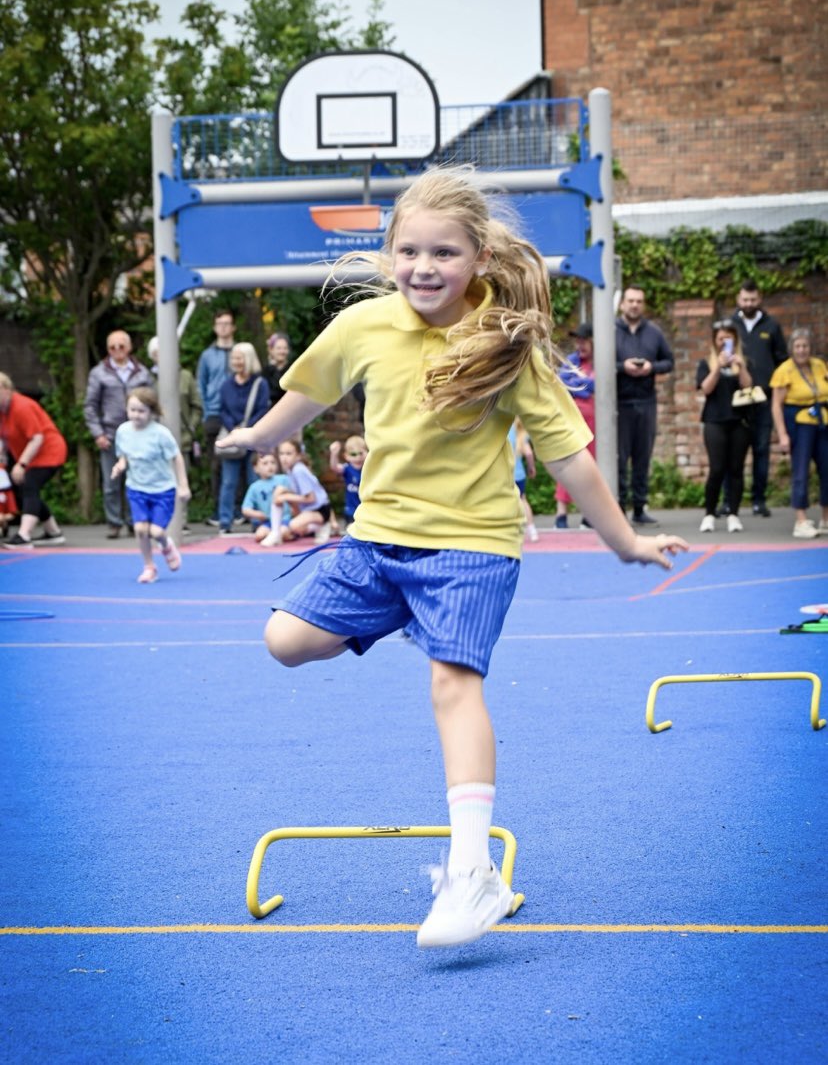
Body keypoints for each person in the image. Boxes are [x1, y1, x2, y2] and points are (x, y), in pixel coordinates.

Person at [217, 166, 687, 950]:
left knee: (452, 684)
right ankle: (407, 615)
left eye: (444, 253)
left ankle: (472, 876)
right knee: (284, 642)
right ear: (388, 251)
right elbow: (308, 397)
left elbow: (570, 458)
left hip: (471, 546)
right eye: (409, 251)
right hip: (379, 539)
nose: (424, 268)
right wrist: (254, 439)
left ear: (477, 258)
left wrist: (628, 542)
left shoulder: (504, 344)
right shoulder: (366, 326)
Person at [112, 387, 190, 583]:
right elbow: (124, 455)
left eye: (141, 411)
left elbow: (176, 457)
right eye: (132, 410)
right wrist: (120, 466)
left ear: (152, 412)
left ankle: (166, 545)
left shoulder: (160, 434)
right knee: (140, 529)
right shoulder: (123, 431)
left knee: (156, 532)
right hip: (136, 488)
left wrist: (183, 485)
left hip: (162, 490)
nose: (136, 415)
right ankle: (149, 567)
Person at [83, 329, 154, 538]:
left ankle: (135, 521)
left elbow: (153, 402)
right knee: (111, 483)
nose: (117, 350)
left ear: (129, 348)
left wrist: (150, 431)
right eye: (112, 347)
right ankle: (114, 523)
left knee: (138, 481)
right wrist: (98, 433)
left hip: (138, 434)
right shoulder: (98, 373)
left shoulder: (142, 372)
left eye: (121, 346)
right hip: (111, 435)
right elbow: (90, 406)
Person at [615, 286, 674, 527]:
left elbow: (669, 362)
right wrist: (622, 367)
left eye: (639, 301)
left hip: (646, 402)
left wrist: (651, 368)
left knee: (642, 457)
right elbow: (600, 362)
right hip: (619, 403)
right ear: (622, 304)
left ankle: (639, 508)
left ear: (644, 305)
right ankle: (618, 509)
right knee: (618, 458)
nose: (635, 305)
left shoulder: (654, 333)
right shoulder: (610, 332)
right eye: (630, 301)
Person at [730, 280, 788, 517]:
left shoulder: (771, 326)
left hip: (763, 397)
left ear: (760, 299)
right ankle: (729, 502)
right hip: (735, 397)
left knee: (761, 449)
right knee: (732, 451)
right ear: (738, 299)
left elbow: (782, 361)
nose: (749, 304)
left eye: (753, 300)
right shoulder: (730, 325)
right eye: (745, 300)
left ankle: (759, 500)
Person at [696, 319, 754, 534]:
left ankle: (734, 515)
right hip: (714, 421)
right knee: (717, 469)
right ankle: (709, 514)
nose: (724, 342)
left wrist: (742, 367)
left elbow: (748, 386)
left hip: (739, 421)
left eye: (728, 338)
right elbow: (706, 389)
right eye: (720, 339)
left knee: (736, 470)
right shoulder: (706, 363)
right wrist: (718, 367)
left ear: (735, 340)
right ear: (714, 341)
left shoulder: (743, 361)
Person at [769, 328, 828, 539]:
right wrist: (783, 435)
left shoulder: (819, 365)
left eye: (805, 346)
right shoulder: (784, 370)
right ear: (791, 349)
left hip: (821, 420)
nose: (802, 350)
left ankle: (825, 518)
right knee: (801, 470)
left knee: (827, 468)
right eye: (798, 346)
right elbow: (776, 406)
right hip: (797, 422)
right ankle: (801, 520)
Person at [0, 372, 67, 549]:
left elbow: (37, 438)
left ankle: (24, 536)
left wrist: (21, 464)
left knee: (29, 485)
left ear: (6, 389)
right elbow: (5, 438)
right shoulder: (2, 412)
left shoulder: (22, 406)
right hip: (30, 455)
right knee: (25, 488)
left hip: (49, 451)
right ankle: (53, 532)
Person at [147, 336, 202, 531]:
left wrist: (190, 428)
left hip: (182, 438)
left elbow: (197, 405)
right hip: (154, 439)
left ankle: (181, 520)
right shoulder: (148, 378)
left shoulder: (186, 376)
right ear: (153, 356)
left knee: (181, 478)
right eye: (158, 354)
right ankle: (159, 519)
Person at [217, 342, 270, 535]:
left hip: (254, 438)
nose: (236, 362)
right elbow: (222, 410)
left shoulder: (260, 384)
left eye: (239, 357)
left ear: (248, 359)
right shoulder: (226, 385)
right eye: (234, 358)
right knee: (228, 482)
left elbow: (263, 409)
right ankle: (225, 521)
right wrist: (234, 429)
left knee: (255, 479)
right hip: (232, 439)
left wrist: (247, 430)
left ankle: (258, 522)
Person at [196, 310, 237, 526]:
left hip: (236, 414)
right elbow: (200, 385)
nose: (223, 327)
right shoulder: (207, 355)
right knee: (215, 465)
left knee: (238, 461)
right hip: (213, 413)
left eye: (227, 323)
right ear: (215, 327)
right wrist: (205, 409)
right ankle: (216, 510)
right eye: (219, 323)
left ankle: (237, 510)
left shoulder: (239, 351)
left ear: (232, 328)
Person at [555, 322, 596, 529]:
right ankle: (561, 515)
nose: (580, 345)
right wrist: (584, 385)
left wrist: (580, 384)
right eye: (577, 340)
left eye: (584, 340)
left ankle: (588, 515)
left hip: (595, 426)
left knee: (590, 470)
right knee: (568, 464)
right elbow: (562, 381)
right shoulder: (571, 360)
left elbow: (598, 385)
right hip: (573, 422)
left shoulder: (599, 362)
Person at [261, 439, 332, 545]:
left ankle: (322, 526)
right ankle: (275, 532)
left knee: (294, 526)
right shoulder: (290, 470)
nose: (284, 457)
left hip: (320, 510)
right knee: (279, 492)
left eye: (289, 454)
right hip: (307, 509)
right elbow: (297, 492)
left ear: (298, 456)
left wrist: (286, 497)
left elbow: (311, 498)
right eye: (281, 454)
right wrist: (284, 492)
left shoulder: (298, 470)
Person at [241, 450, 291, 542]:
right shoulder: (254, 487)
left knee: (283, 531)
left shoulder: (283, 479)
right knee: (259, 535)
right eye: (265, 463)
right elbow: (245, 509)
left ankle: (280, 535)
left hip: (285, 519)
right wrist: (258, 514)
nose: (270, 466)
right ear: (255, 468)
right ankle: (274, 535)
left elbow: (294, 493)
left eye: (273, 462)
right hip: (268, 521)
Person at [508, 419, 538, 541]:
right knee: (523, 500)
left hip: (507, 474)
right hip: (519, 474)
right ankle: (532, 529)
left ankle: (511, 530)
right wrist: (531, 467)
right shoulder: (521, 434)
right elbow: (529, 453)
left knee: (507, 502)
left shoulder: (504, 431)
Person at [328, 434, 367, 528]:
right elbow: (335, 467)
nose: (358, 457)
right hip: (351, 510)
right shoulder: (347, 468)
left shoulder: (368, 468)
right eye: (353, 454)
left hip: (366, 509)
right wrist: (334, 454)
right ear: (346, 456)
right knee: (351, 528)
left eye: (361, 453)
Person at [264, 332, 293, 408]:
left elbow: (280, 390)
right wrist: (273, 368)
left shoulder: (292, 369)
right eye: (278, 348)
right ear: (271, 350)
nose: (282, 351)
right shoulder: (266, 370)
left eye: (285, 348)